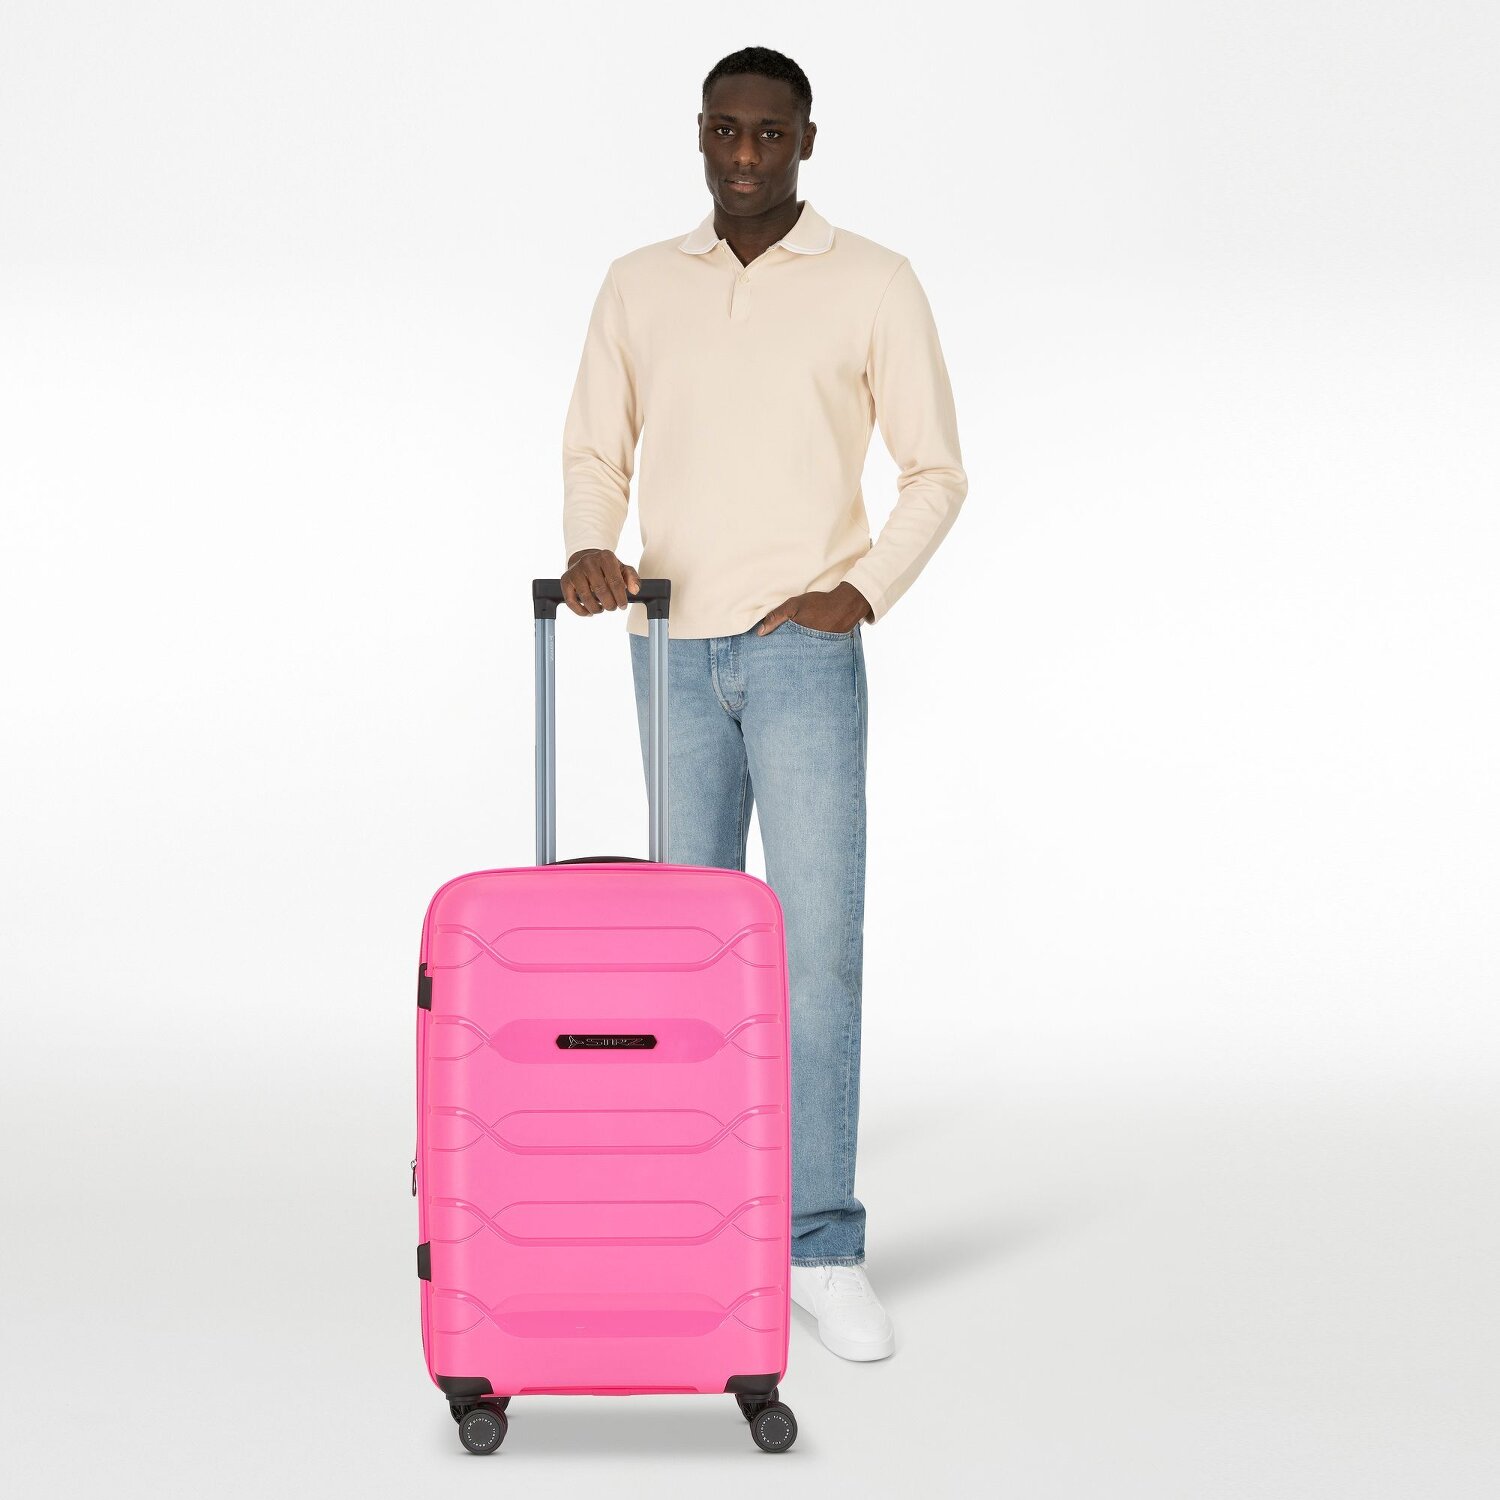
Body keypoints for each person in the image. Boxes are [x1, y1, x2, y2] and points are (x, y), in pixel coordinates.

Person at [557, 46, 967, 1363]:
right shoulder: (638, 283)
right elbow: (595, 448)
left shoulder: (874, 282)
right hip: (670, 648)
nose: (745, 158)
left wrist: (863, 591)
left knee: (813, 950)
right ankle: (695, 1226)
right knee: (685, 954)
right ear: (699, 134)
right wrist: (589, 544)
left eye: (770, 135)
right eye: (724, 133)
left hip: (801, 654)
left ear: (806, 140)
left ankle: (821, 1248)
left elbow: (937, 472)